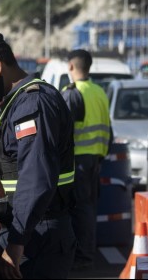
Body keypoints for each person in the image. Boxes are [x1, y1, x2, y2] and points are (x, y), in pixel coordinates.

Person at [0, 30, 76, 279]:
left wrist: (17, 241)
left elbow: (36, 177)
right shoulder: (17, 102)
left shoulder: (33, 104)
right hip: (29, 230)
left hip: (37, 235)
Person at [60, 49, 112, 270]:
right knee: (88, 207)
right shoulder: (99, 91)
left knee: (80, 208)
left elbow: (62, 130)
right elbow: (108, 127)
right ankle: (87, 252)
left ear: (71, 66)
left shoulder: (71, 92)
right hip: (95, 158)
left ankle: (83, 256)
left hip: (78, 160)